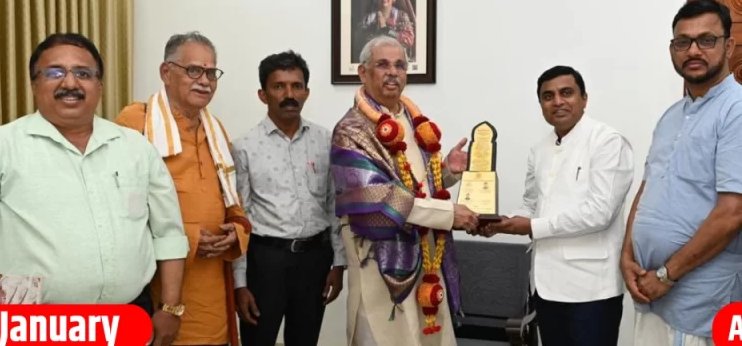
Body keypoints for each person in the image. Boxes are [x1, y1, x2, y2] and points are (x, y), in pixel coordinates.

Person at [0, 33, 189, 346]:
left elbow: (168, 234)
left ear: (99, 85)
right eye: (55, 72)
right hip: (26, 329)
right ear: (34, 84)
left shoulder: (137, 149)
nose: (70, 83)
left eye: (83, 73)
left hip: (126, 323)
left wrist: (170, 308)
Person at [621, 0, 742, 346]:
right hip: (651, 293)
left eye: (706, 40)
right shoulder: (672, 115)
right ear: (672, 50)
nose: (693, 50)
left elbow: (735, 213)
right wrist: (627, 255)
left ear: (729, 46)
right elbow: (648, 188)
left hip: (702, 302)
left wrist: (667, 274)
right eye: (683, 42)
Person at [330, 35, 478, 346]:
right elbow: (378, 199)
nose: (393, 72)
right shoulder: (350, 130)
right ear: (363, 72)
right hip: (377, 263)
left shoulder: (412, 120)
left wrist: (447, 171)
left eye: (399, 65)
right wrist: (448, 214)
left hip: (426, 254)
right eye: (383, 64)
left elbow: (417, 187)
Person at [481, 65, 635, 345]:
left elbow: (600, 213)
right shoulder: (539, 150)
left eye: (566, 93)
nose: (557, 102)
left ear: (584, 99)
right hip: (545, 286)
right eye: (548, 96)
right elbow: (532, 206)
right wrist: (500, 222)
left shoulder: (607, 142)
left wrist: (531, 226)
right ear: (541, 104)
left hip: (591, 289)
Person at [116, 31, 251, 346]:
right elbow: (119, 208)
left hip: (212, 284)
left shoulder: (216, 129)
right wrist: (188, 237)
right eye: (193, 70)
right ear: (166, 72)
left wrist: (237, 231)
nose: (204, 81)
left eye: (211, 73)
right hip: (160, 285)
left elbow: (232, 199)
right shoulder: (137, 122)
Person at [232, 51, 346, 346]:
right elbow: (239, 218)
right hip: (265, 262)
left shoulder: (325, 140)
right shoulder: (244, 147)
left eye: (296, 86)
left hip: (315, 261)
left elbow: (334, 204)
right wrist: (239, 284)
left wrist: (338, 264)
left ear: (306, 92)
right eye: (279, 86)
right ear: (263, 94)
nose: (289, 94)